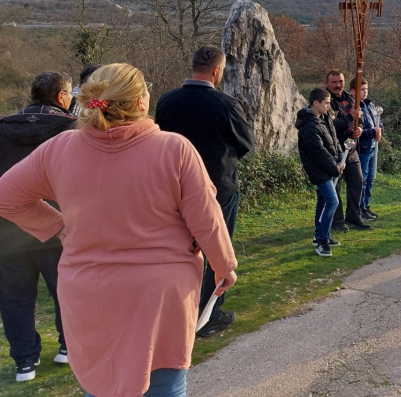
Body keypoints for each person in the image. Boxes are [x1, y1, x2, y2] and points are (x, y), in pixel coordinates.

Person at [0, 63, 237, 397]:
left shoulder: (61, 148)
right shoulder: (174, 149)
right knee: (166, 382)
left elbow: (6, 196)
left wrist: (57, 227)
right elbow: (207, 218)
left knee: (102, 381)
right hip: (162, 289)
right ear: (141, 102)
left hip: (89, 287)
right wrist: (224, 265)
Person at [155, 45, 254, 337]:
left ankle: (177, 308)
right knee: (215, 250)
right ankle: (209, 316)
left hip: (175, 187)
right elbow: (246, 143)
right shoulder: (226, 104)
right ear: (217, 71)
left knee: (181, 249)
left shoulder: (167, 101)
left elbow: (159, 140)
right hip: (218, 187)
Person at [0, 72, 75, 382]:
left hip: (8, 230)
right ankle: (68, 348)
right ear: (61, 97)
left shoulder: (2, 128)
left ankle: (24, 363)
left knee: (14, 298)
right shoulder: (71, 130)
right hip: (60, 227)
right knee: (66, 293)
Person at [296, 88, 343, 257]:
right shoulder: (309, 126)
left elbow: (334, 139)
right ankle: (322, 241)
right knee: (332, 201)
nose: (329, 106)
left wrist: (339, 161)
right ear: (316, 103)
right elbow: (318, 152)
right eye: (327, 103)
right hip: (318, 169)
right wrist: (335, 168)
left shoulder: (324, 118)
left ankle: (320, 235)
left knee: (323, 201)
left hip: (328, 167)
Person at [324, 70, 369, 232]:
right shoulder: (326, 100)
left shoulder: (350, 98)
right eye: (334, 82)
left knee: (357, 183)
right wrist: (349, 117)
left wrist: (360, 129)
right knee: (335, 187)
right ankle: (337, 221)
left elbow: (361, 118)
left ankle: (354, 217)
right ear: (327, 84)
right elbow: (329, 126)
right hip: (335, 151)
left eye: (340, 81)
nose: (338, 85)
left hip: (351, 150)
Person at [352, 77, 382, 221]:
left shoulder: (369, 105)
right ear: (353, 91)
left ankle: (366, 206)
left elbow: (378, 121)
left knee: (370, 178)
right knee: (362, 180)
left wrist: (380, 130)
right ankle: (360, 208)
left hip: (372, 147)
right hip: (362, 148)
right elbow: (358, 130)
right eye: (361, 89)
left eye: (366, 89)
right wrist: (373, 132)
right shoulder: (355, 108)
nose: (365, 92)